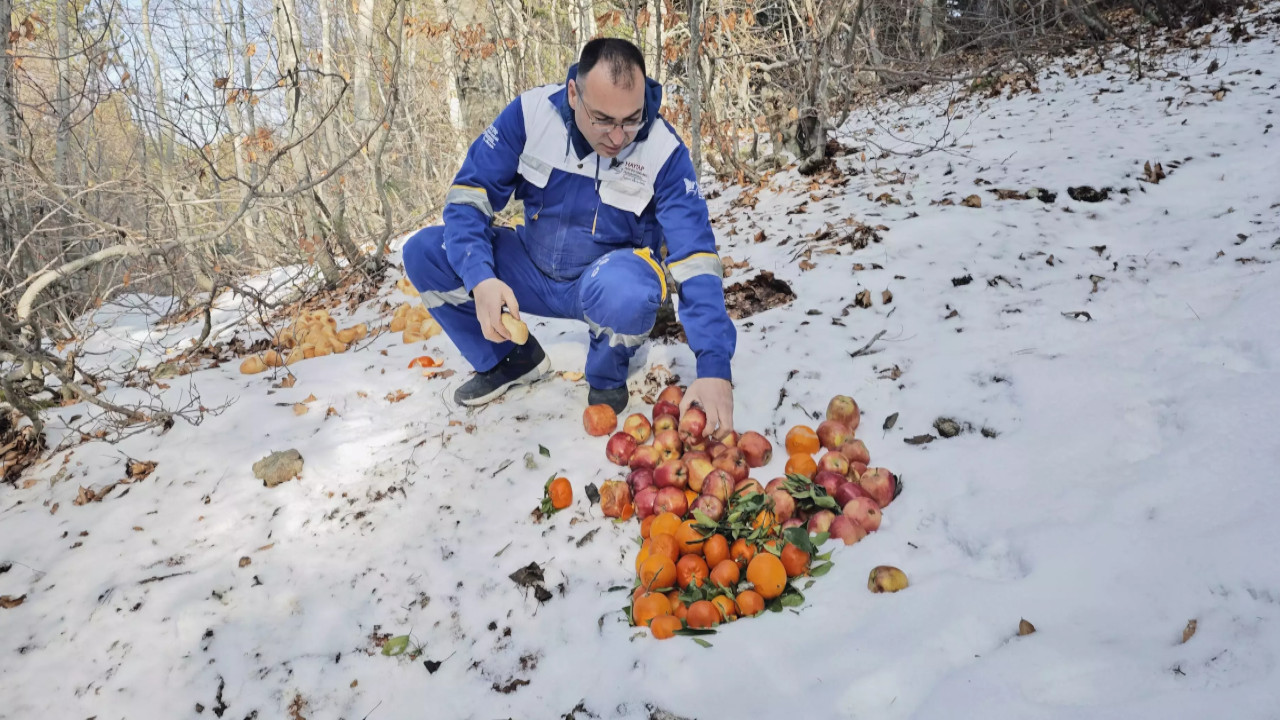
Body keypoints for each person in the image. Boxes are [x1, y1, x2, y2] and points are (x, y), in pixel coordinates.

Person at [402, 38, 736, 437]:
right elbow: (467, 199)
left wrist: (715, 366)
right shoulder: (530, 115)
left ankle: (607, 375)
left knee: (628, 287)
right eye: (603, 120)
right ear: (574, 94)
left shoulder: (663, 150)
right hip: (530, 268)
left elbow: (695, 255)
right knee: (425, 252)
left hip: (605, 283)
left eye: (631, 119)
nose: (618, 137)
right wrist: (481, 278)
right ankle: (510, 359)